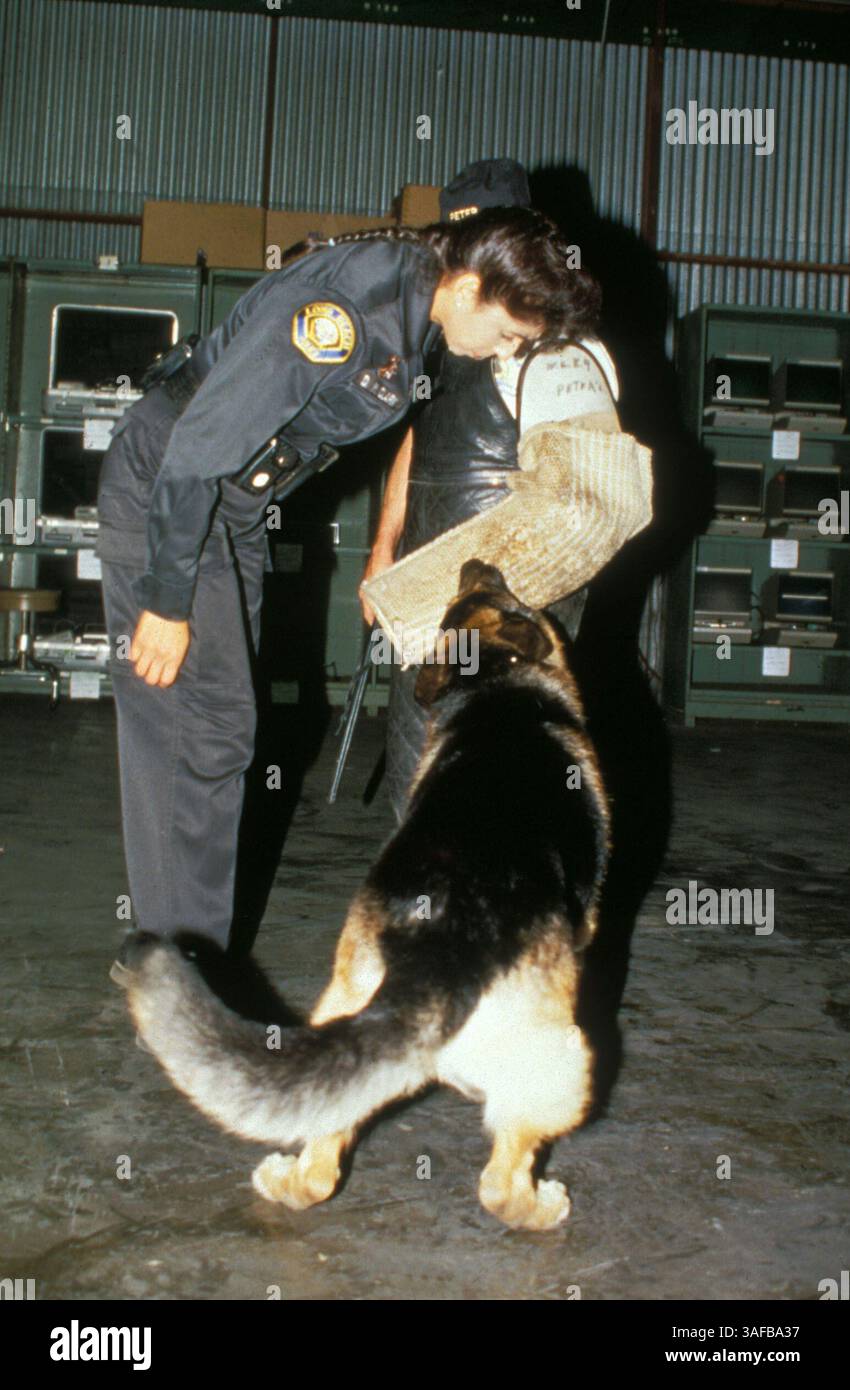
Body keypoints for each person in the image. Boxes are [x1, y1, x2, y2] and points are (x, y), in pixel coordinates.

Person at [98, 206, 599, 958]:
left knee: (222, 730)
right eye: (504, 334)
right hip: (174, 492)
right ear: (468, 286)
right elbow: (200, 445)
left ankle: (182, 950)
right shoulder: (346, 311)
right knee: (199, 733)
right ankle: (178, 967)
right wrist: (164, 603)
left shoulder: (418, 305)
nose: (501, 353)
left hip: (232, 507)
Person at [360, 161, 620, 822]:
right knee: (419, 765)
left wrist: (521, 601)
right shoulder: (446, 332)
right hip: (428, 582)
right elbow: (419, 441)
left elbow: (588, 500)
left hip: (513, 594)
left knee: (500, 773)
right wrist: (385, 548)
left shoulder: (561, 349)